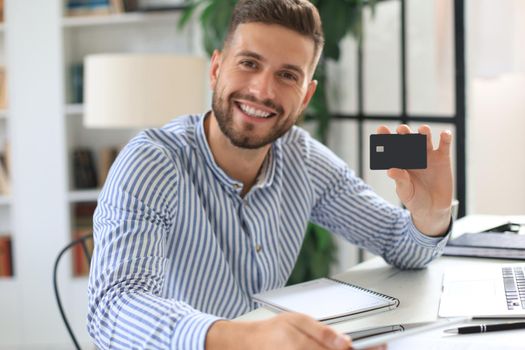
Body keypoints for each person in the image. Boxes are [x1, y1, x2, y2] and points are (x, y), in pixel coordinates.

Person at [87, 0, 454, 349]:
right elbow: (112, 310)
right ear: (216, 69)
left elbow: (398, 243)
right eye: (249, 63)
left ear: (306, 95)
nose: (263, 90)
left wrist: (431, 216)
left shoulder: (303, 159)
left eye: (287, 75)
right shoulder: (152, 162)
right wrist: (243, 340)